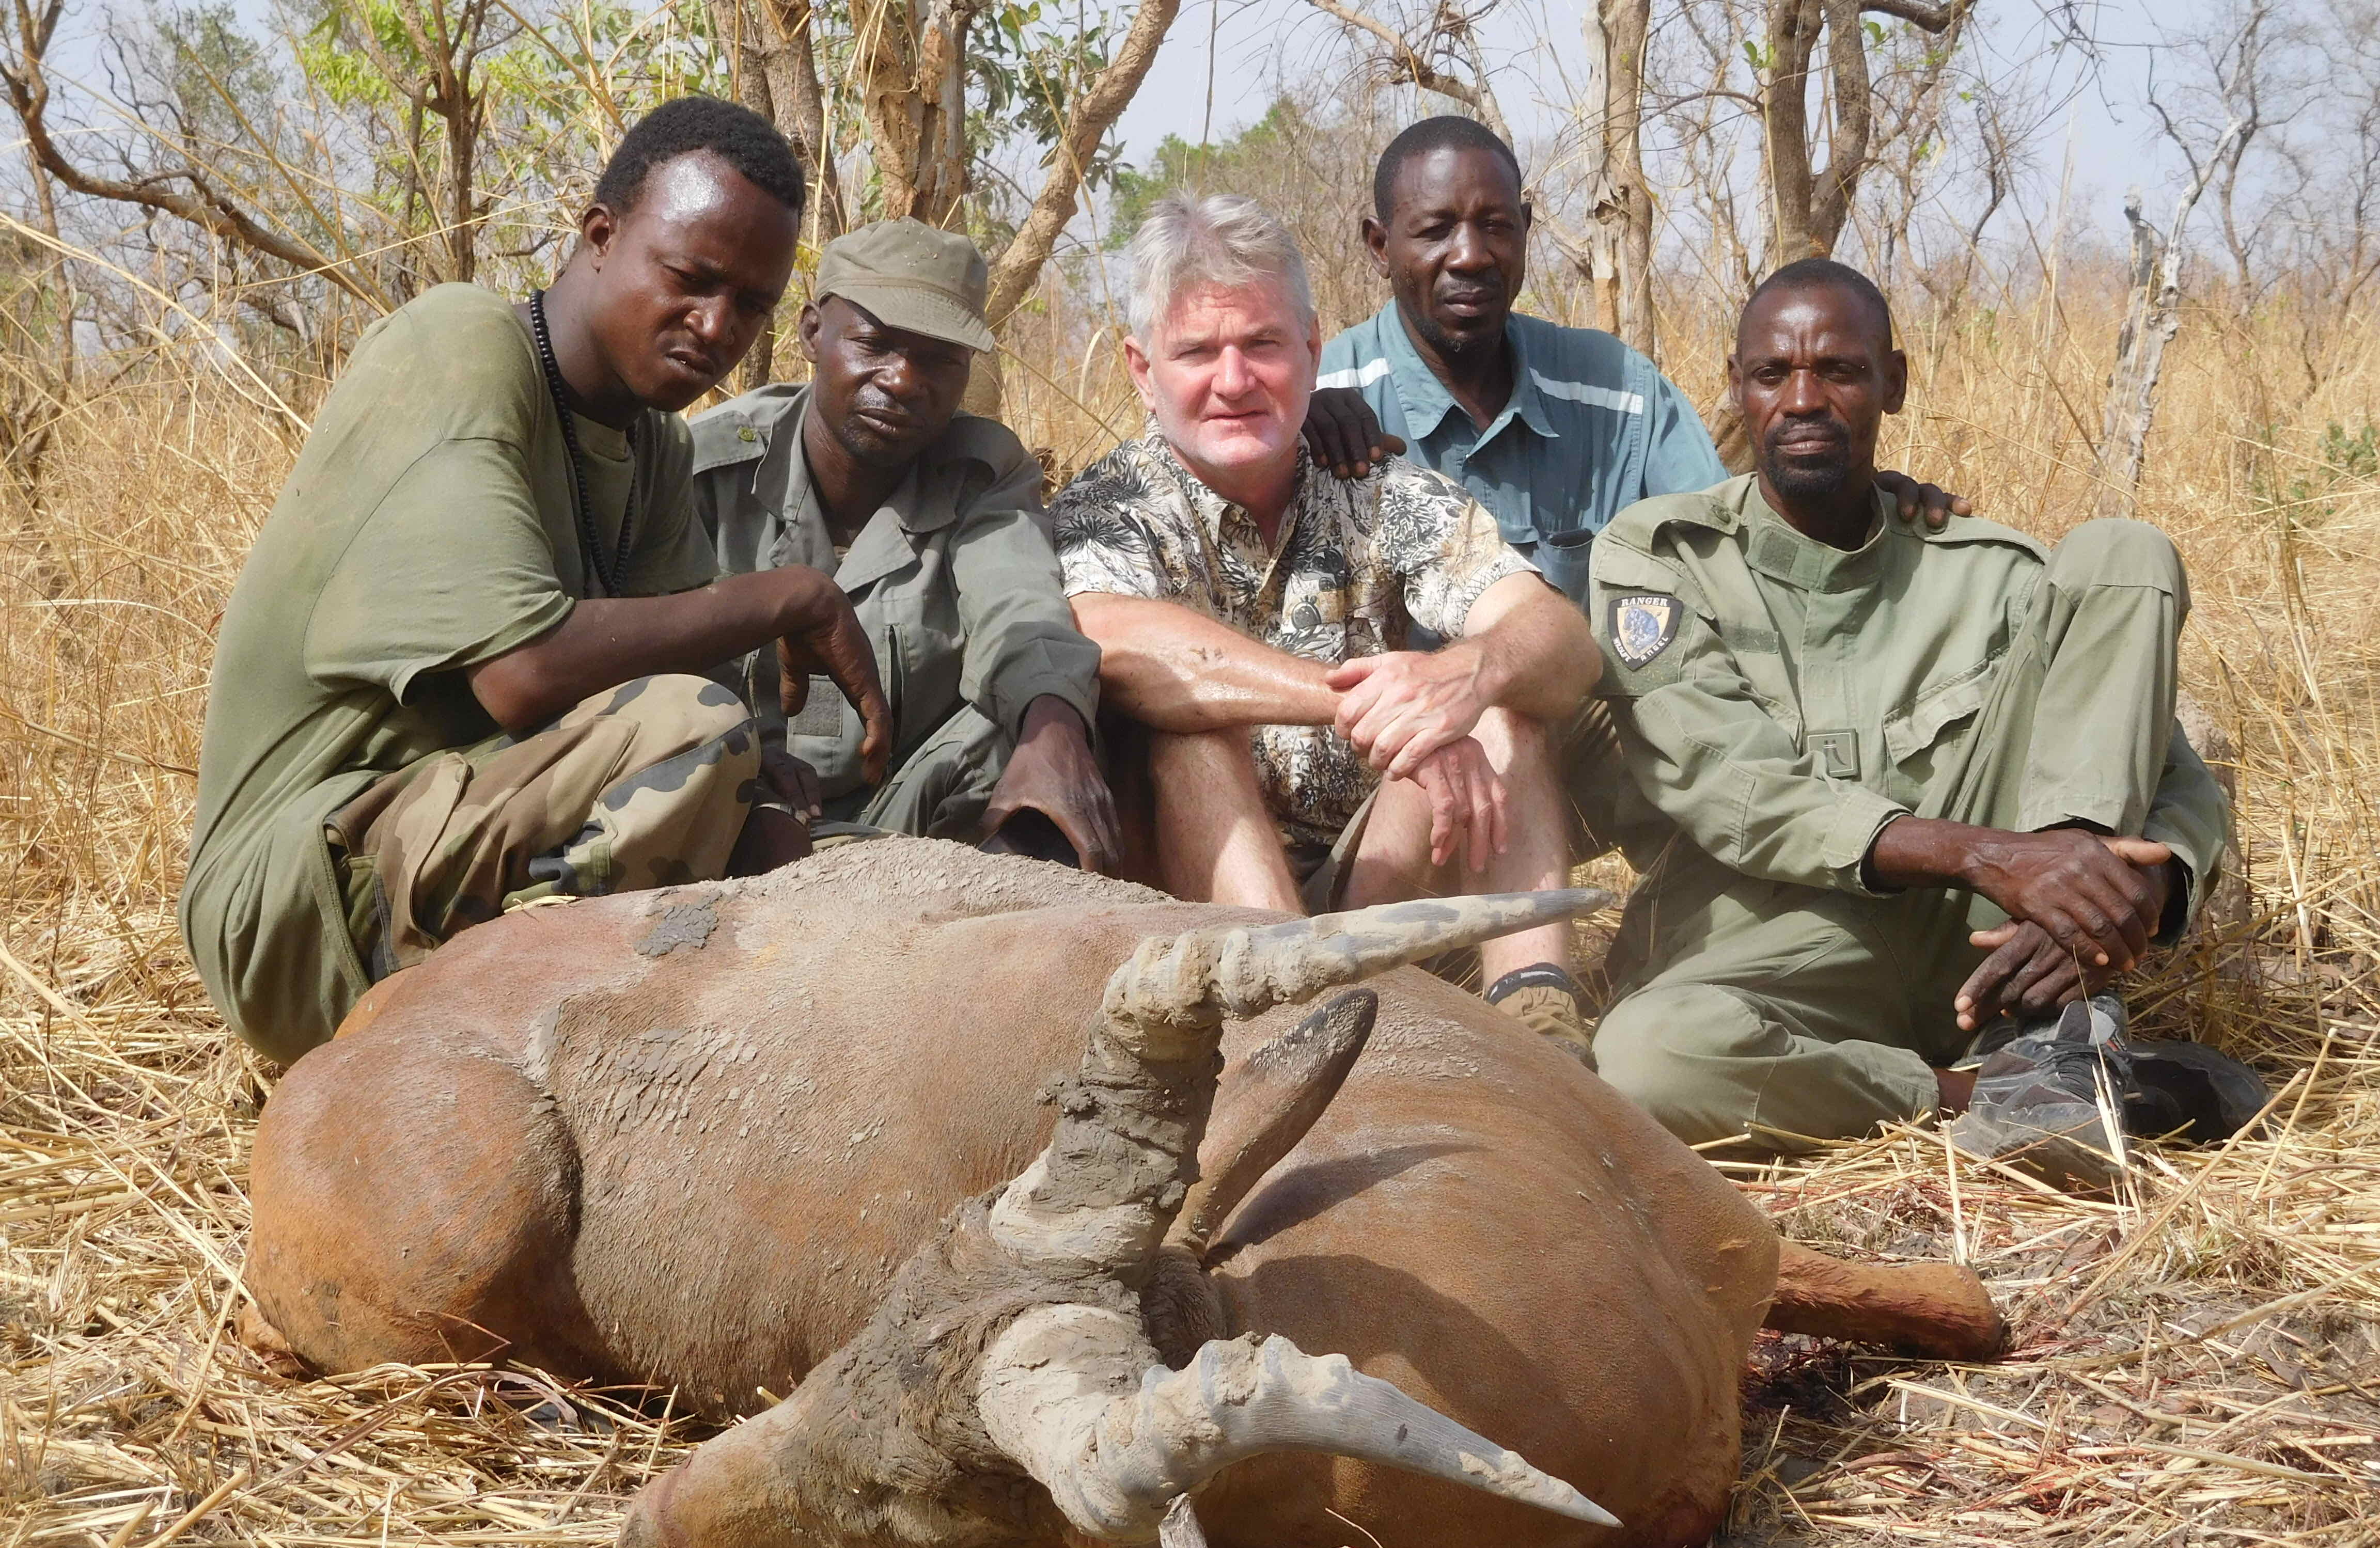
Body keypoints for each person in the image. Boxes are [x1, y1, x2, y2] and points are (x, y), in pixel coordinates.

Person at [179, 97, 889, 1065]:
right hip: (299, 901)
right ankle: (491, 1049)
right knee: (696, 735)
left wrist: (762, 798)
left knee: (834, 852)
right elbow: (523, 675)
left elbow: (696, 691)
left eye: (752, 304)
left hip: (447, 832)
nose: (717, 327)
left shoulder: (651, 446)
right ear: (600, 235)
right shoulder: (461, 345)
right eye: (690, 278)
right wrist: (789, 596)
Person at [1584, 258, 2260, 1180]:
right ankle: (2006, 1096)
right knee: (1642, 1059)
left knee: (2121, 552)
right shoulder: (1660, 558)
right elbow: (1734, 788)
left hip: (1985, 946)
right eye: (1772, 373)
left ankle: (2059, 1027)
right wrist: (1996, 858)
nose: (1804, 398)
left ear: (1891, 383)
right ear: (1737, 389)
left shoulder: (1987, 569)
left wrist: (2128, 896)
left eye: (1841, 370)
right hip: (1774, 945)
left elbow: (2165, 770)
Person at [1053, 194, 1604, 1055]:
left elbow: (1561, 647)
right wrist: (1378, 704)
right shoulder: (1105, 506)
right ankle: (1286, 1033)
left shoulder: (1388, 494)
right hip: (1210, 916)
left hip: (1373, 883)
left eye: (1263, 345)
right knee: (1189, 738)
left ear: (1312, 349)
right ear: (1140, 368)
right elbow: (1115, 638)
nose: (1233, 381)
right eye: (1197, 351)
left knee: (1505, 702)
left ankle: (1539, 1027)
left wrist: (1467, 678)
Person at [1304, 115, 1967, 600]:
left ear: (1527, 229)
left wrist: (1863, 506)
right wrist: (1292, 434)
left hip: (1599, 759)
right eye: (1436, 229)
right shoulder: (1319, 399)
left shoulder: (1618, 390)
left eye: (1497, 225)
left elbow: (1732, 541)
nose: (1472, 254)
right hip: (1403, 759)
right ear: (1378, 245)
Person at [691, 219, 1117, 869]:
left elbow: (1020, 608)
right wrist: (749, 778)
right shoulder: (706, 468)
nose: (903, 381)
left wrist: (1053, 732)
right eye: (876, 344)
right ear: (811, 333)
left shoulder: (983, 472)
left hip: (905, 817)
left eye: (940, 359)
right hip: (739, 803)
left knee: (1050, 715)